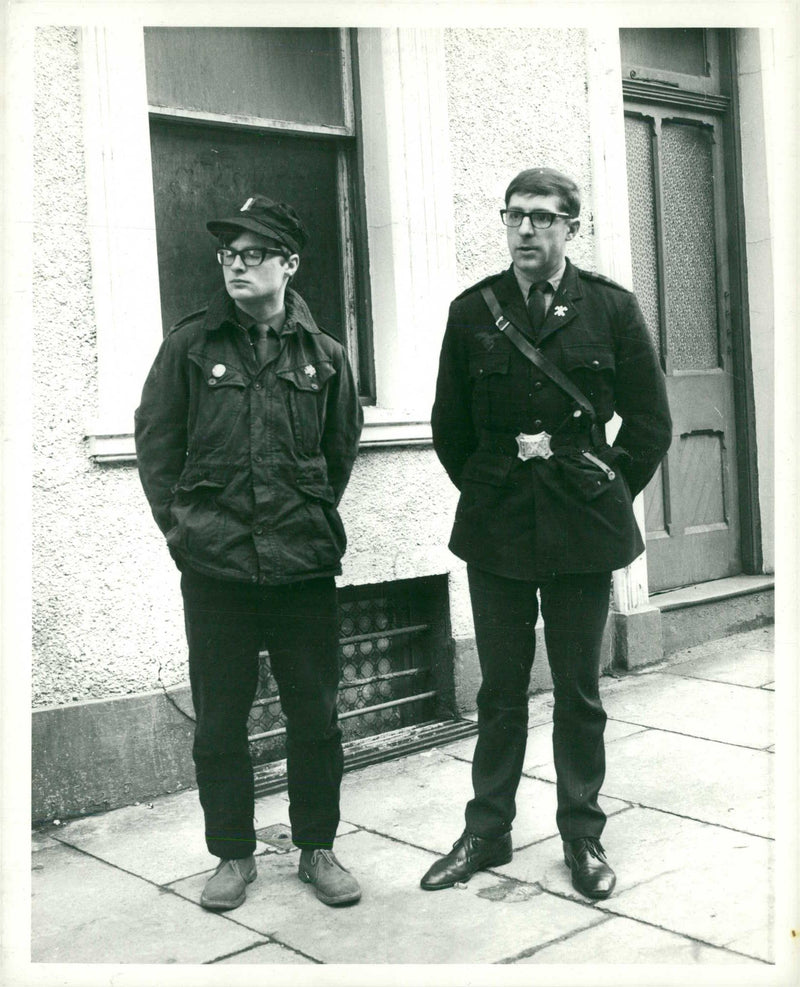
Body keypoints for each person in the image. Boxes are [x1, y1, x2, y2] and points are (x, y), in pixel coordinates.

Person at [421, 167, 671, 899]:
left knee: (578, 688)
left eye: (541, 217)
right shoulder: (474, 312)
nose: (525, 230)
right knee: (499, 688)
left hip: (580, 528)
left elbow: (651, 421)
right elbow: (449, 427)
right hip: (497, 526)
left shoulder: (611, 310)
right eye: (514, 216)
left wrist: (607, 481)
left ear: (572, 228)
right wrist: (489, 481)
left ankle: (581, 833)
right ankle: (488, 829)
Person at [134, 194, 363, 911]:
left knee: (316, 714)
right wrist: (185, 535)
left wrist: (302, 515)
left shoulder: (324, 357)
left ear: (289, 264)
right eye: (228, 255)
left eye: (253, 253)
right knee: (222, 719)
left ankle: (316, 846)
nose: (236, 265)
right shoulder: (190, 347)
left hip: (301, 565)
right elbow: (156, 449)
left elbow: (339, 451)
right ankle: (232, 853)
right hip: (218, 569)